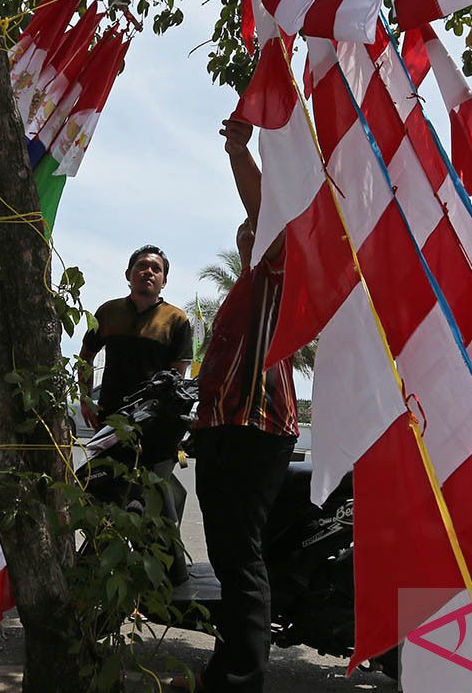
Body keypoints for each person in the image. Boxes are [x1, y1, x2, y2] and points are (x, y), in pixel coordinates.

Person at [178, 117, 299, 693]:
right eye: (245, 230)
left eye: (256, 226)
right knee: (229, 560)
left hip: (255, 427)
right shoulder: (242, 287)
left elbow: (264, 209)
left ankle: (242, 681)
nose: (249, 233)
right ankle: (221, 673)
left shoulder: (276, 272)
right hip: (223, 428)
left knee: (241, 561)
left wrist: (235, 149)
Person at [79, 244, 193, 583]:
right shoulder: (108, 312)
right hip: (110, 423)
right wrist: (86, 398)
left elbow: (178, 378)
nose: (149, 272)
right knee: (100, 492)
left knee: (152, 500)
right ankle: (93, 569)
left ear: (164, 281)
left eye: (156, 269)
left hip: (154, 429)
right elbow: (85, 357)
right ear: (129, 275)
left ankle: (168, 579)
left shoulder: (176, 320)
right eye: (142, 266)